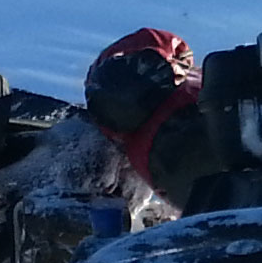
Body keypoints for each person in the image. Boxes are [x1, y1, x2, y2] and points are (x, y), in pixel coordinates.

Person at [83, 27, 215, 214]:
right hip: (214, 131)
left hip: (178, 178)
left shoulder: (121, 135)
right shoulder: (196, 85)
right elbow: (161, 42)